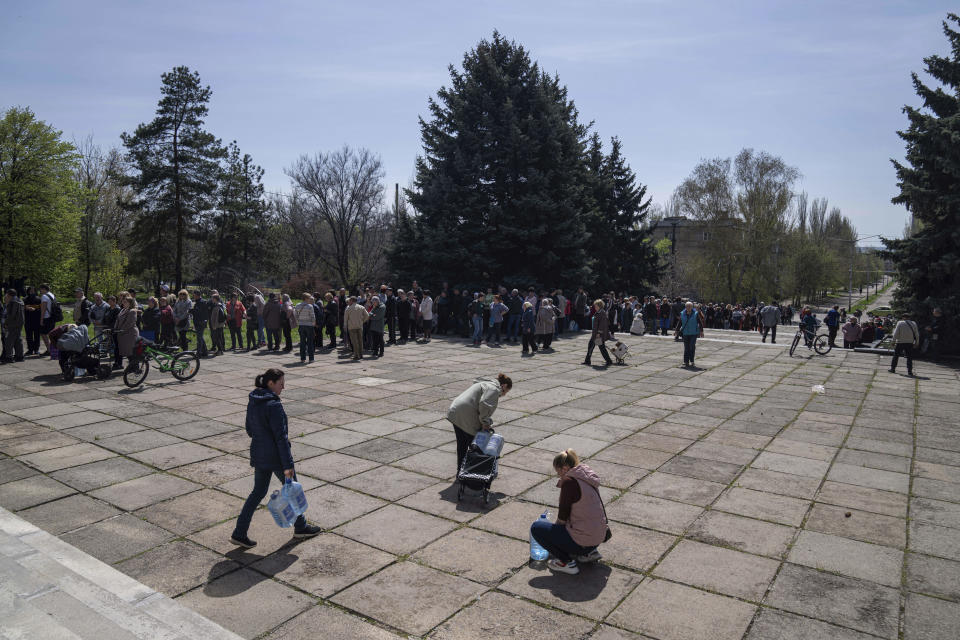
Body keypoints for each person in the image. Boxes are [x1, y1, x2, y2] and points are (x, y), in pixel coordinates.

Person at [230, 369, 321, 548]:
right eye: (281, 383)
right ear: (271, 383)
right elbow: (281, 437)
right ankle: (301, 527)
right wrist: (287, 465)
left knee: (257, 493)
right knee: (292, 491)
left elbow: (249, 429)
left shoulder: (254, 400)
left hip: (259, 454)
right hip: (277, 458)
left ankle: (239, 533)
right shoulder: (274, 405)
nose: (283, 387)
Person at [530, 449, 608, 575]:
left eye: (558, 472)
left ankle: (566, 562)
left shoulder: (569, 482)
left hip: (583, 542)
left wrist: (553, 539)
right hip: (598, 537)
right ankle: (589, 553)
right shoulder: (586, 476)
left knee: (536, 528)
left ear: (565, 468)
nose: (559, 475)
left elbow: (562, 518)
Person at [446, 373, 513, 474]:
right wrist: (485, 423)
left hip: (455, 411)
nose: (503, 395)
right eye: (505, 392)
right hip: (466, 415)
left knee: (462, 445)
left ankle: (460, 472)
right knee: (477, 447)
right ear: (504, 386)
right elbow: (485, 404)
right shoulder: (494, 389)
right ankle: (476, 474)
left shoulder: (485, 383)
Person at [583, 299, 613, 366]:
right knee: (592, 346)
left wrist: (599, 333)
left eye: (596, 306)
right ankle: (587, 360)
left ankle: (609, 361)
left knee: (601, 348)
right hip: (595, 334)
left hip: (598, 335)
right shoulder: (599, 312)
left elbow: (602, 324)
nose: (595, 307)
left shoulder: (602, 313)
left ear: (599, 306)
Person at [115, 295, 141, 369]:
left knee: (130, 352)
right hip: (122, 334)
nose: (123, 303)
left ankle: (135, 367)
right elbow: (118, 320)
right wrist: (115, 328)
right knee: (126, 352)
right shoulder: (123, 310)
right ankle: (132, 366)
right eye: (123, 302)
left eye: (125, 302)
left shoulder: (132, 311)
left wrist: (121, 330)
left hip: (130, 334)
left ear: (130, 303)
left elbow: (129, 323)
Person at [677, 301, 704, 368]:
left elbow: (700, 322)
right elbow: (680, 322)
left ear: (692, 307)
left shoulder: (696, 313)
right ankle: (686, 361)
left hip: (694, 333)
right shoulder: (682, 313)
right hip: (685, 333)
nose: (688, 307)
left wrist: (701, 331)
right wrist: (676, 330)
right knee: (686, 347)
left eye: (690, 306)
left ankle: (692, 361)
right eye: (687, 306)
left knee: (691, 346)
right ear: (685, 307)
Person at [2, 289, 24, 362]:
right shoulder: (20, 301)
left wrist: (6, 323)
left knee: (9, 340)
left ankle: (9, 357)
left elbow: (11, 315)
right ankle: (20, 356)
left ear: (9, 295)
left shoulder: (12, 302)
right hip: (20, 323)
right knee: (18, 340)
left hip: (12, 324)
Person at [344, 296, 369, 360]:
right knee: (360, 341)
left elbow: (345, 320)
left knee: (354, 342)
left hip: (351, 327)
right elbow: (367, 316)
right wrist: (362, 321)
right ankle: (361, 354)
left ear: (352, 301)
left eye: (349, 300)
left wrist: (345, 327)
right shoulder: (361, 307)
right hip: (360, 326)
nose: (349, 302)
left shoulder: (348, 309)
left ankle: (356, 355)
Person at [294, 293, 317, 363]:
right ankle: (311, 359)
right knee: (310, 343)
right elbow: (313, 316)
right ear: (306, 298)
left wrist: (298, 322)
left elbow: (295, 315)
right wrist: (313, 324)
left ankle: (302, 358)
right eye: (309, 298)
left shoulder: (297, 305)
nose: (310, 299)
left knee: (302, 342)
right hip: (309, 326)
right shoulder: (310, 306)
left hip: (301, 325)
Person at [38, 284, 57, 356]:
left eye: (40, 289)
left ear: (43, 289)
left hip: (47, 317)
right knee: (51, 334)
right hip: (53, 317)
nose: (40, 291)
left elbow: (43, 309)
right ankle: (53, 349)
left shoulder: (44, 296)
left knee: (43, 334)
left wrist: (41, 319)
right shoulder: (52, 295)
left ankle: (49, 350)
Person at [23, 286, 41, 356]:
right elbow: (22, 307)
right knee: (29, 335)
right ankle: (30, 349)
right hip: (28, 319)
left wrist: (35, 309)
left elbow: (41, 308)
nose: (32, 292)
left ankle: (36, 349)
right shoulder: (24, 299)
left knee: (37, 335)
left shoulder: (39, 299)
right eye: (30, 290)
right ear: (28, 291)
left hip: (36, 319)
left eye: (33, 290)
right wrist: (26, 308)